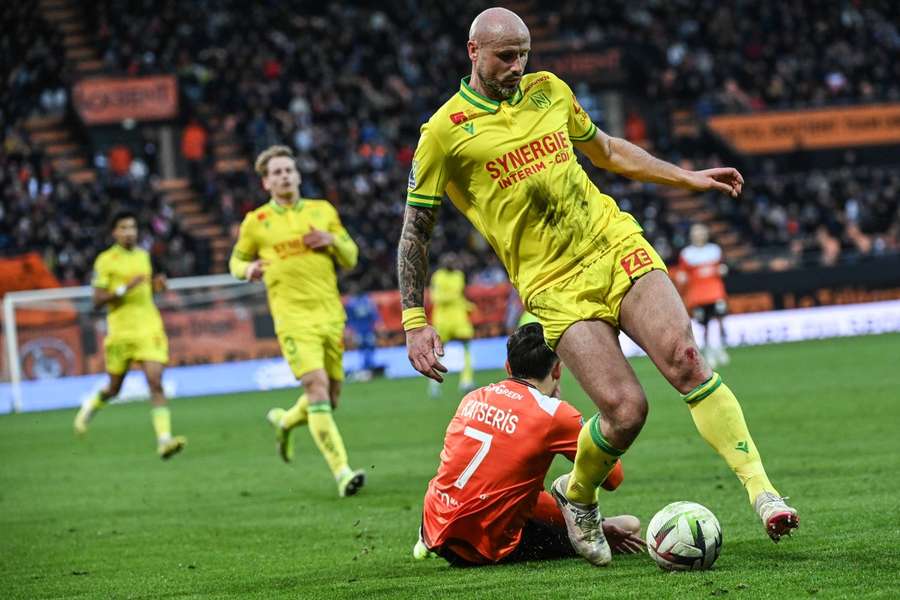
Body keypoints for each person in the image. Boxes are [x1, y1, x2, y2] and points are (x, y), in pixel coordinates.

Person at [396, 7, 797, 567]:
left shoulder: (549, 91)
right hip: (552, 283)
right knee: (626, 411)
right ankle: (578, 496)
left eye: (524, 55)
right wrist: (414, 321)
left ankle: (762, 491)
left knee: (685, 358)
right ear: (474, 52)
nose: (517, 67)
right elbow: (417, 229)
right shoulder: (444, 133)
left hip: (611, 243)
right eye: (505, 56)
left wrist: (685, 176)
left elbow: (606, 150)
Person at [413, 323, 644, 566]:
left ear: (508, 367)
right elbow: (613, 478)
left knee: (514, 487)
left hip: (435, 522)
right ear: (557, 370)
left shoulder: (473, 397)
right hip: (483, 547)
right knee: (629, 526)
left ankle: (425, 539)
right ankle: (587, 521)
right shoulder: (553, 413)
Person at [229, 145, 366, 498]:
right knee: (317, 388)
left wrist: (333, 240)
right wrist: (248, 269)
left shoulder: (323, 211)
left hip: (330, 315)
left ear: (298, 175)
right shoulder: (256, 223)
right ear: (266, 183)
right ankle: (342, 473)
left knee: (331, 398)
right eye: (276, 172)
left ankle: (286, 421)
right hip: (292, 319)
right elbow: (235, 261)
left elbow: (351, 257)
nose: (284, 176)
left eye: (289, 169)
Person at [74, 210, 186, 460]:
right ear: (114, 232)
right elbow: (97, 300)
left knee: (155, 382)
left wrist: (157, 288)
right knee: (114, 388)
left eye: (132, 227)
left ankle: (164, 440)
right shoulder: (105, 260)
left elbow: (148, 292)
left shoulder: (144, 256)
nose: (129, 232)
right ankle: (90, 407)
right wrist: (126, 287)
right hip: (120, 332)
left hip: (149, 327)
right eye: (123, 228)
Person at [678, 223, 730, 368]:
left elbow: (722, 267)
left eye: (701, 232)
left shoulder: (714, 250)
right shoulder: (687, 253)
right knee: (704, 324)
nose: (699, 235)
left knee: (719, 319)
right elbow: (683, 273)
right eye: (696, 232)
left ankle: (720, 348)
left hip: (715, 292)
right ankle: (708, 351)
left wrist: (722, 269)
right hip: (698, 295)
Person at [429, 253, 476, 396]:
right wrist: (454, 296)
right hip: (442, 320)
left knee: (467, 347)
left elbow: (460, 296)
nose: (451, 263)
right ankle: (434, 382)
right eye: (448, 260)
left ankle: (466, 381)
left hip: (459, 318)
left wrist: (467, 305)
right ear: (442, 263)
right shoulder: (438, 276)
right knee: (439, 351)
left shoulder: (459, 276)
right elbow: (435, 298)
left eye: (453, 260)